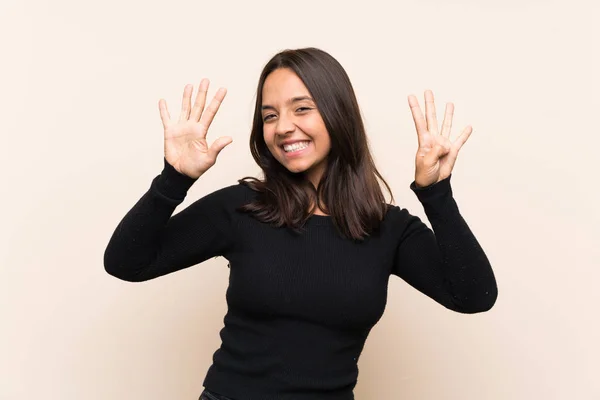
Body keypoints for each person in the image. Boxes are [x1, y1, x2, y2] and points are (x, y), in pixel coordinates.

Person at [103, 47, 498, 400]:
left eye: (302, 108)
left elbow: (474, 296)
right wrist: (174, 179)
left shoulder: (387, 228)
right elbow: (126, 263)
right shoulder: (241, 208)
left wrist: (437, 194)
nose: (283, 127)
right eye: (269, 116)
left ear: (337, 114)